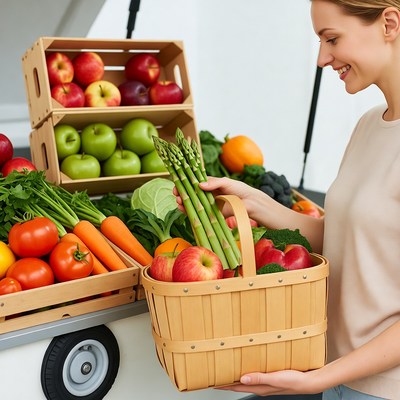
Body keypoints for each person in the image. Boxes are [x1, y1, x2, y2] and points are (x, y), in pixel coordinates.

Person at [174, 1, 400, 399]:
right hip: (339, 374)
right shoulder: (369, 125)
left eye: (331, 38)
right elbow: (344, 241)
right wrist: (253, 201)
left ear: (390, 24)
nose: (321, 58)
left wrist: (317, 380)